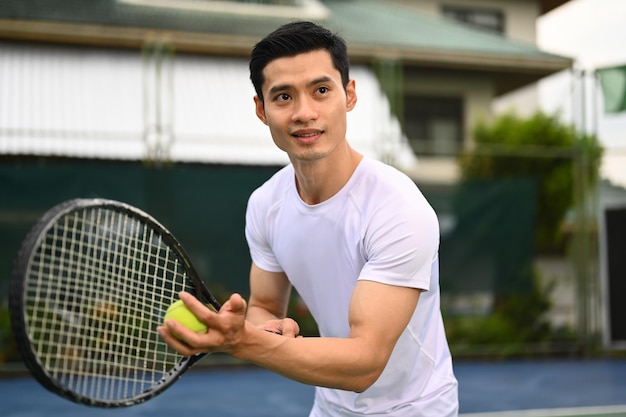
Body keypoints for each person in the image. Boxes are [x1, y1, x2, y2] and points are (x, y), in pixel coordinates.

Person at [158, 21, 459, 416]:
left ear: (349, 96)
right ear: (261, 110)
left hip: (416, 408)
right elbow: (265, 304)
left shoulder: (398, 208)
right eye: (283, 96)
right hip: (330, 405)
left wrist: (245, 341)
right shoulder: (265, 204)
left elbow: (366, 361)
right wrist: (266, 328)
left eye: (321, 91)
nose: (304, 112)